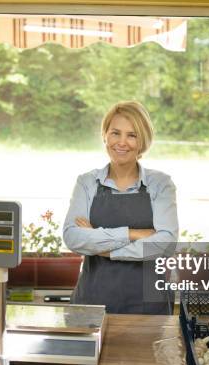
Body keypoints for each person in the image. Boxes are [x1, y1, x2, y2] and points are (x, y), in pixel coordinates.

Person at [63, 101, 178, 314]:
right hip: (92, 302)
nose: (122, 142)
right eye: (115, 133)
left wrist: (105, 250)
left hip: (148, 307)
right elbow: (73, 237)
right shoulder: (86, 183)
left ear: (142, 141)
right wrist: (133, 233)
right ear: (105, 135)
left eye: (132, 135)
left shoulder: (160, 184)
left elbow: (165, 243)